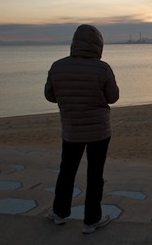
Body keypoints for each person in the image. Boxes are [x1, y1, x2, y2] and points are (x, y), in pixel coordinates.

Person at [44, 24, 119, 234]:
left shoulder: (58, 66)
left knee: (66, 171)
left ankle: (59, 213)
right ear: (98, 45)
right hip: (99, 131)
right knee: (95, 174)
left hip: (71, 129)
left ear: (74, 43)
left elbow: (50, 95)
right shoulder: (102, 68)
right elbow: (113, 97)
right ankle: (91, 220)